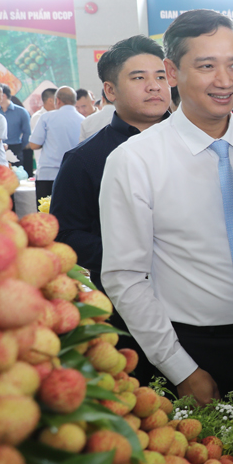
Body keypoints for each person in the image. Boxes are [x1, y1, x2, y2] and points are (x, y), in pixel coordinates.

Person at [100, 9, 233, 407]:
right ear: (171, 72)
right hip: (198, 348)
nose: (225, 81)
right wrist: (181, 369)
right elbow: (126, 277)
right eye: (207, 66)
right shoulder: (135, 160)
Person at [52, 35, 172, 387]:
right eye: (138, 78)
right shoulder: (86, 160)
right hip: (129, 310)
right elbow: (66, 234)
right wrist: (139, 256)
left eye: (161, 76)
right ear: (110, 90)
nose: (154, 87)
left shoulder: (199, 144)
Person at [29, 86, 84, 200]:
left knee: (47, 213)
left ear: (57, 100)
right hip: (74, 174)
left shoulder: (47, 117)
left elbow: (34, 145)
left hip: (48, 174)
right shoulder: (83, 120)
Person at [0, 84, 31, 173]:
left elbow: (27, 132)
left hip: (15, 148)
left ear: (4, 95)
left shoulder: (21, 112)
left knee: (17, 174)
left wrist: (21, 147)